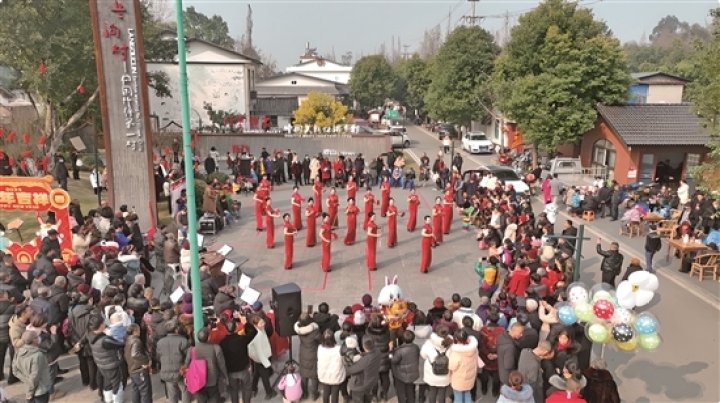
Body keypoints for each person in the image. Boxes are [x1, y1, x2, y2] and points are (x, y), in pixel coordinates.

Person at [89, 314, 126, 403]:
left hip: (101, 365)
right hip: (111, 364)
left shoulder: (90, 335)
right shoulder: (104, 340)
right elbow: (120, 344)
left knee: (107, 384)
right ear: (101, 325)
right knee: (117, 385)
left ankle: (108, 400)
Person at [13, 330, 53, 403]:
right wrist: (30, 392)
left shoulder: (18, 352)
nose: (39, 338)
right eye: (37, 337)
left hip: (28, 387)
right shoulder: (38, 355)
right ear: (34, 340)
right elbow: (35, 376)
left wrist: (26, 381)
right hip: (40, 389)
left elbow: (15, 371)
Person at [156, 320, 191, 403]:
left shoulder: (160, 342)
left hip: (166, 372)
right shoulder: (183, 340)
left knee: (171, 394)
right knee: (185, 391)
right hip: (180, 371)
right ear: (176, 330)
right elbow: (189, 355)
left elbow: (158, 357)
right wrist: (186, 365)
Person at [420, 324, 453, 403]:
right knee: (442, 392)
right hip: (445, 372)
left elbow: (423, 355)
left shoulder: (429, 343)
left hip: (432, 372)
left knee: (432, 392)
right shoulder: (451, 344)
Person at [346, 338, 382, 403]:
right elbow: (370, 353)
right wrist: (362, 354)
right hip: (371, 381)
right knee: (367, 398)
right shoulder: (378, 351)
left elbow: (350, 371)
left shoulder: (365, 360)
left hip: (361, 385)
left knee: (359, 400)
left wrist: (345, 365)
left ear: (364, 346)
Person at [294, 313, 321, 400]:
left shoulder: (298, 330)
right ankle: (314, 394)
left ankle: (304, 393)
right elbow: (321, 340)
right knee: (314, 375)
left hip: (303, 352)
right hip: (313, 353)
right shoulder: (315, 331)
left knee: (304, 374)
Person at [447, 329, 479, 403]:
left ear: (456, 339)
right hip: (470, 377)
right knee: (467, 394)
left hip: (459, 379)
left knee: (458, 397)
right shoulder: (473, 349)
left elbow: (451, 366)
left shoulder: (456, 352)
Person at [125, 323, 152, 403]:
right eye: (139, 330)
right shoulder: (136, 341)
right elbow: (135, 354)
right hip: (139, 370)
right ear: (135, 331)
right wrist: (146, 361)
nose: (140, 331)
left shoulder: (128, 340)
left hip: (132, 369)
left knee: (135, 390)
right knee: (145, 392)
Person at [391, 330, 420, 403]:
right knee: (411, 392)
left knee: (401, 394)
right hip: (412, 374)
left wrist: (390, 352)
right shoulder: (416, 347)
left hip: (400, 375)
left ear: (402, 339)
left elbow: (394, 361)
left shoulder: (400, 351)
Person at [318, 329, 346, 403]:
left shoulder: (320, 348)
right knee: (335, 393)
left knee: (326, 392)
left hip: (324, 375)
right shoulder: (339, 348)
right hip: (336, 375)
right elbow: (343, 361)